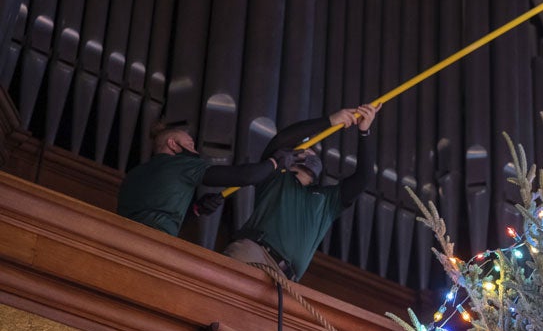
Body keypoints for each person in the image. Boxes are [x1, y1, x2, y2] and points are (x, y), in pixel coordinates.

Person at [225, 105, 379, 282]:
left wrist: (364, 132)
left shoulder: (327, 201)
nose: (310, 151)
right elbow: (281, 140)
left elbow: (363, 178)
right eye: (305, 147)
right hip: (254, 253)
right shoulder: (275, 177)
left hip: (284, 278)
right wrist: (330, 121)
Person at [117, 121, 300, 236]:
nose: (195, 151)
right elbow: (246, 176)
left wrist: (196, 209)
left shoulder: (134, 174)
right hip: (154, 242)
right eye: (190, 144)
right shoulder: (181, 165)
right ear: (172, 144)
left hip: (122, 237)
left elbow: (153, 212)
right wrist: (276, 162)